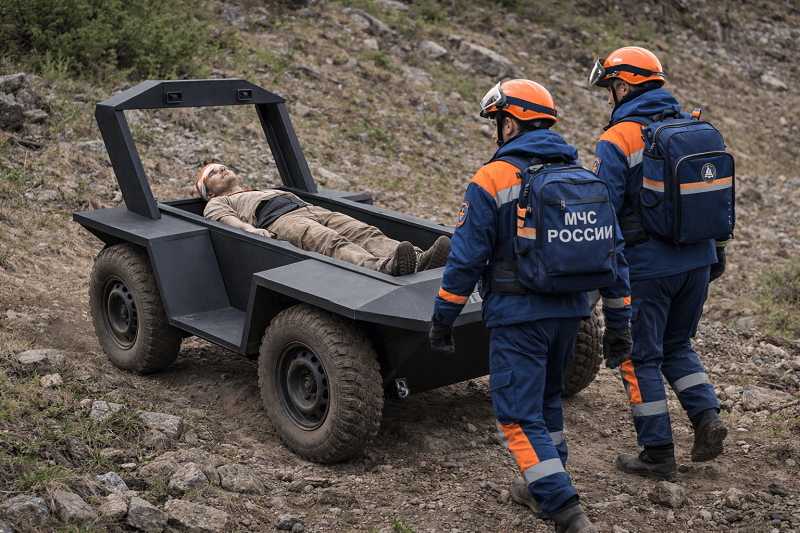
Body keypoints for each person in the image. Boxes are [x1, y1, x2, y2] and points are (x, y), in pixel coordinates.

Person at [428, 79, 632, 533]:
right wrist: (619, 323)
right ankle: (541, 488)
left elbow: (465, 260)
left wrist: (443, 318)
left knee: (518, 417)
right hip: (571, 315)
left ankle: (565, 510)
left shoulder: (492, 178)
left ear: (511, 123)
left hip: (518, 318)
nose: (495, 131)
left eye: (497, 122)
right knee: (545, 402)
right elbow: (614, 255)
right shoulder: (586, 177)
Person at [588, 46, 729, 481]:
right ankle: (707, 417)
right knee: (678, 345)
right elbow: (716, 199)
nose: (608, 96)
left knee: (640, 358)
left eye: (610, 87)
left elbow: (603, 211)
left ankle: (657, 454)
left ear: (624, 85)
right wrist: (716, 251)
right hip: (700, 259)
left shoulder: (618, 139)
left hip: (648, 269)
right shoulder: (695, 127)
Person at [196, 163, 451, 276]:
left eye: (222, 166)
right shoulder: (217, 202)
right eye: (214, 173)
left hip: (311, 210)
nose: (222, 169)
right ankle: (383, 268)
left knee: (365, 232)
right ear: (209, 192)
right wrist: (249, 229)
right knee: (331, 242)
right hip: (281, 220)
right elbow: (224, 219)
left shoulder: (260, 189)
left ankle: (419, 260)